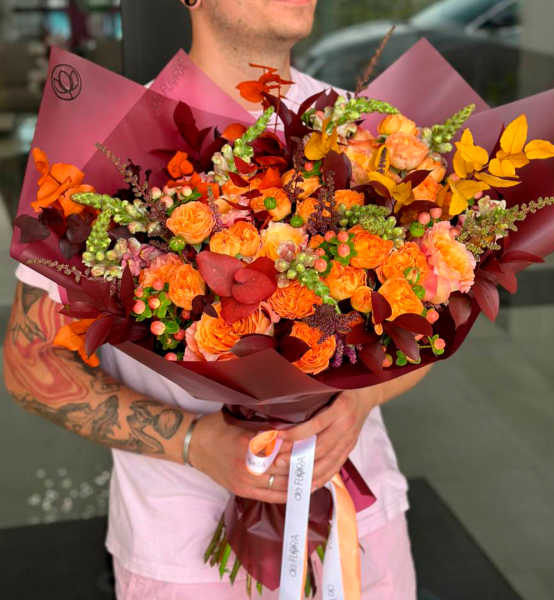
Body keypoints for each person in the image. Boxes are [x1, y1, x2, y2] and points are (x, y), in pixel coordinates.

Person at [4, 1, 430, 598]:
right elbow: (30, 364)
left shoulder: (369, 133)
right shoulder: (102, 144)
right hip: (183, 553)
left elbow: (430, 324)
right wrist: (192, 442)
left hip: (358, 528)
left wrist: (361, 401)